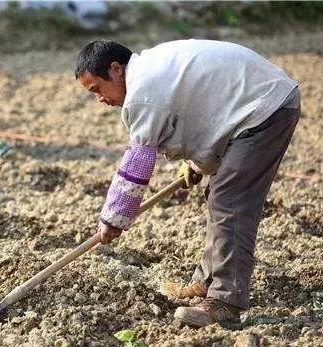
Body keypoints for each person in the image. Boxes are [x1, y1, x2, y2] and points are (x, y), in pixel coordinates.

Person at [75, 39, 300, 328]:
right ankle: (207, 281)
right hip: (258, 103)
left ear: (116, 69)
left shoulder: (142, 92)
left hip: (265, 107)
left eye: (97, 89)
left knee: (228, 198)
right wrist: (196, 163)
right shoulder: (151, 69)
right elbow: (204, 109)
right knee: (220, 194)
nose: (100, 99)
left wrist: (114, 218)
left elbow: (137, 163)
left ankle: (225, 301)